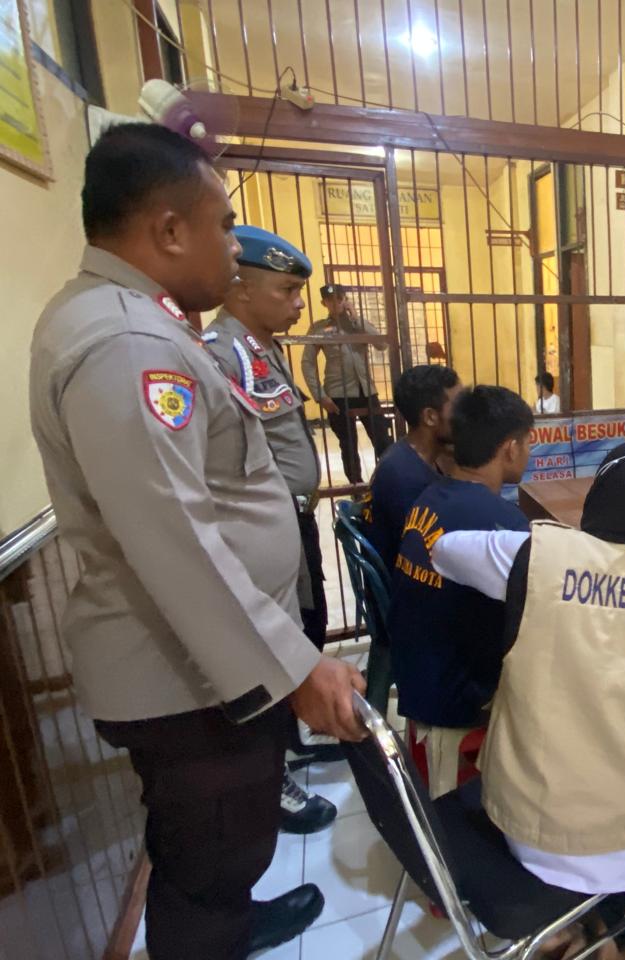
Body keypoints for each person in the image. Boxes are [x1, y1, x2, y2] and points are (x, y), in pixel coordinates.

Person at [28, 123, 367, 960]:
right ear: (170, 230)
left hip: (198, 670)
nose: (233, 247)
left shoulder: (138, 321)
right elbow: (174, 539)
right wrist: (296, 668)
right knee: (209, 856)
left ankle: (231, 920)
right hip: (186, 679)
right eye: (223, 225)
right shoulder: (129, 344)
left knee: (215, 845)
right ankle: (215, 932)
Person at [430, 441, 625, 960]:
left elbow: (443, 550)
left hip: (542, 834)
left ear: (597, 495)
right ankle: (606, 927)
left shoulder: (537, 557)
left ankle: (570, 930)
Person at [204, 224, 339, 836]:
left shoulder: (262, 348)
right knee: (270, 644)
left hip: (291, 520)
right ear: (241, 288)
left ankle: (289, 740)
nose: (298, 303)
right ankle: (272, 778)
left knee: (305, 627)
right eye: (286, 290)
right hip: (259, 528)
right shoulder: (220, 354)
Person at [388, 385, 533, 797]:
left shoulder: (431, 495)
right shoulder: (500, 522)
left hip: (418, 677)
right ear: (510, 448)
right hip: (454, 698)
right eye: (528, 443)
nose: (528, 452)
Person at [365, 363, 462, 570]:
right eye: (458, 407)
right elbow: (427, 551)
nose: (466, 416)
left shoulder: (412, 454)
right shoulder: (404, 477)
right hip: (408, 581)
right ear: (430, 417)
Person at [300, 282, 391, 484]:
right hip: (337, 394)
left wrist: (356, 317)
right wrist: (320, 395)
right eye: (331, 300)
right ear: (324, 303)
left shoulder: (358, 324)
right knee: (348, 444)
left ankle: (390, 481)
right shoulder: (319, 328)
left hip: (366, 390)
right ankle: (356, 487)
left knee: (382, 439)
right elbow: (307, 363)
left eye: (340, 299)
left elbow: (382, 344)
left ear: (346, 299)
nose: (336, 304)